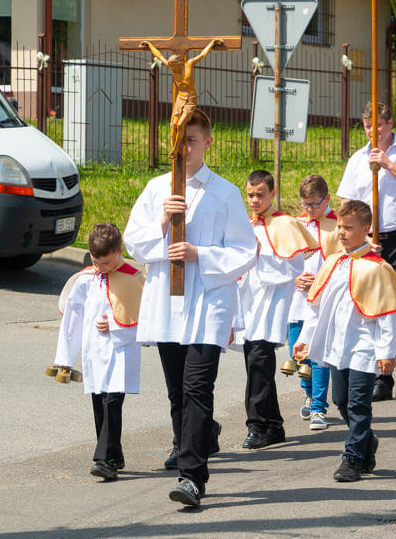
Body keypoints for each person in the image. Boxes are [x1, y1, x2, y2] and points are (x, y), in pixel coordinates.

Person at [124, 108, 258, 506]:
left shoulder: (224, 192)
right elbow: (135, 244)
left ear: (209, 143)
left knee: (198, 388)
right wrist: (163, 222)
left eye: (193, 140)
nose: (185, 148)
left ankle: (192, 476)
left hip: (206, 302)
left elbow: (246, 250)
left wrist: (202, 254)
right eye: (180, 141)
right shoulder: (156, 189)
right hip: (168, 302)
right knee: (177, 392)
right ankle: (193, 441)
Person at [292, 200, 396, 482]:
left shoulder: (377, 268)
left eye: (349, 228)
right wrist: (305, 338)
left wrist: (387, 351)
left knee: (357, 404)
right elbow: (318, 306)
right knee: (340, 399)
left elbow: (386, 314)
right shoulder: (333, 262)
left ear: (366, 229)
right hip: (337, 346)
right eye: (340, 227)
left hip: (365, 346)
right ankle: (367, 440)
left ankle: (352, 459)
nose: (341, 232)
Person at [337, 101, 396, 405]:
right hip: (370, 240)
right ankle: (381, 377)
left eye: (377, 125)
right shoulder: (356, 159)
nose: (371, 131)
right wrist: (360, 236)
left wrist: (389, 164)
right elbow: (347, 206)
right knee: (374, 306)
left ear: (390, 123)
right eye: (366, 126)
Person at [234, 170, 319, 450]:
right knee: (255, 363)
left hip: (271, 300)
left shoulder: (285, 224)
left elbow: (293, 266)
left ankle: (257, 425)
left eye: (260, 194)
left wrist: (259, 252)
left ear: (272, 193)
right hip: (250, 298)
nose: (255, 200)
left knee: (259, 359)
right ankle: (273, 425)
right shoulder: (246, 223)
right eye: (250, 194)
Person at [54, 223, 144, 481]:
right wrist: (65, 359)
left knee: (112, 403)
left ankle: (104, 459)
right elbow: (72, 320)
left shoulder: (134, 278)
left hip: (121, 353)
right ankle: (114, 453)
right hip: (95, 354)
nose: (100, 267)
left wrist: (115, 327)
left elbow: (144, 321)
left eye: (105, 262)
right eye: (95, 261)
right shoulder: (84, 280)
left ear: (119, 252)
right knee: (99, 405)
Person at [288, 174, 342, 429]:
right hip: (297, 300)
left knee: (318, 353)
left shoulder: (339, 225)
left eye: (314, 204)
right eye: (305, 204)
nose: (309, 210)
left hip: (322, 300)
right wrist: (294, 277)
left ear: (327, 199)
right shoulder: (296, 224)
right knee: (296, 351)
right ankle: (308, 394)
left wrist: (320, 281)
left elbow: (342, 263)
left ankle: (320, 407)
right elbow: (285, 259)